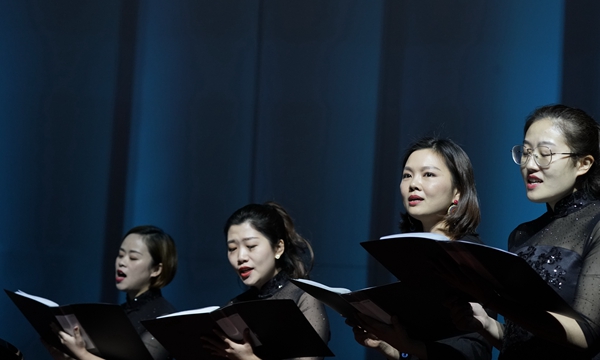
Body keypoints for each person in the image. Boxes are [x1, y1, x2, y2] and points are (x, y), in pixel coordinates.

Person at [460, 104, 600, 359]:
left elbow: (587, 334)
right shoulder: (522, 234)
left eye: (544, 153)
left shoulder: (596, 224)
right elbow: (522, 340)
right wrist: (486, 323)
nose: (530, 164)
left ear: (583, 163)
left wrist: (495, 302)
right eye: (525, 152)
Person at [348, 137, 493, 360]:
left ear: (458, 191)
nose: (413, 184)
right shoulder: (411, 251)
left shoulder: (469, 255)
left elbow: (475, 351)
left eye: (428, 174)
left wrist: (411, 346)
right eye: (407, 175)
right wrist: (391, 348)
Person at [200, 201, 330, 360]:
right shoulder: (233, 307)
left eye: (251, 246)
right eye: (232, 248)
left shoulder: (304, 298)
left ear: (278, 248)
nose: (240, 257)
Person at [53, 225, 178, 360]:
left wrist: (81, 353)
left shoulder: (165, 319)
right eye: (120, 255)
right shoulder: (118, 313)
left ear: (156, 270)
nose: (122, 262)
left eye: (133, 257)